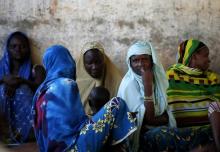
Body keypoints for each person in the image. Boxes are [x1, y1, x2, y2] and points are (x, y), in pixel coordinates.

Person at [32, 45, 137, 152]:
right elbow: (78, 124)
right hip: (73, 147)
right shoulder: (67, 84)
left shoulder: (40, 91)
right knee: (117, 104)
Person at [145, 39, 220, 151]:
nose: (209, 60)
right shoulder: (170, 77)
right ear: (194, 56)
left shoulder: (213, 78)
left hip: (210, 132)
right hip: (180, 134)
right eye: (206, 55)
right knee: (154, 135)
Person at [117, 41, 176, 152]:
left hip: (160, 129)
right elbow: (148, 119)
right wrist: (147, 85)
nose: (141, 64)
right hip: (140, 139)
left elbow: (162, 113)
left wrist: (161, 119)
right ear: (130, 63)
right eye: (135, 60)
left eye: (144, 59)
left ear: (152, 61)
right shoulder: (128, 85)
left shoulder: (158, 79)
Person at [0, 31, 45, 145]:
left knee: (23, 89)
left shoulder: (37, 69)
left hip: (25, 123)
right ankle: (4, 132)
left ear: (28, 49)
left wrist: (21, 81)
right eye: (13, 46)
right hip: (3, 119)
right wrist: (4, 80)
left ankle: (26, 133)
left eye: (22, 46)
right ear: (7, 49)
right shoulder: (1, 69)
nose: (18, 50)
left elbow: (40, 89)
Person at [76, 41, 122, 115]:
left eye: (98, 62)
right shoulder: (75, 83)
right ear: (83, 63)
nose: (94, 67)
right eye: (89, 63)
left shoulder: (117, 82)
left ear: (104, 60)